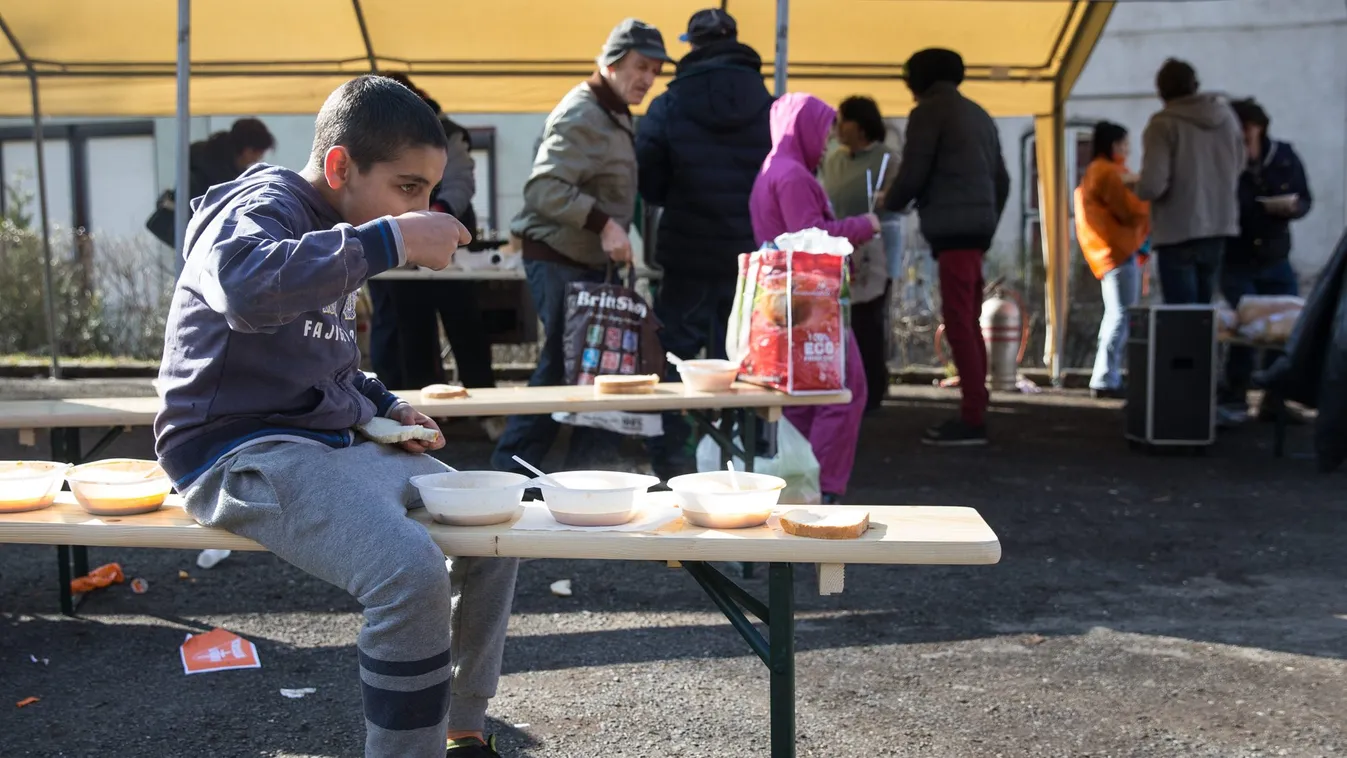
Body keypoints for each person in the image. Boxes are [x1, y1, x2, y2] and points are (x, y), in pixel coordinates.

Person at [154, 76, 515, 758]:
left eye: (428, 194)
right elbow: (243, 289)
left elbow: (330, 362)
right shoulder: (256, 206)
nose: (422, 208)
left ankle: (462, 728)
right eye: (408, 188)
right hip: (237, 453)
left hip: (319, 442)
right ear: (340, 167)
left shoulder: (335, 232)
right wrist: (392, 238)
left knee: (489, 523)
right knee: (408, 572)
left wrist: (381, 405)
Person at [491, 19, 672, 473]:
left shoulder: (613, 111)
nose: (648, 79)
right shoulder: (584, 113)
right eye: (640, 66)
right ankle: (502, 479)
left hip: (580, 261)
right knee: (561, 370)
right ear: (611, 63)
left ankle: (587, 480)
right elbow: (543, 189)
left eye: (655, 69)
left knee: (596, 373)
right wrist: (605, 225)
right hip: (558, 260)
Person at [635, 7, 773, 478]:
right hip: (751, 258)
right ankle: (747, 460)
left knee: (674, 360)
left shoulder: (671, 102)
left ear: (691, 46)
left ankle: (675, 462)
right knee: (747, 360)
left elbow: (647, 176)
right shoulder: (770, 102)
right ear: (734, 38)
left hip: (688, 253)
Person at [749, 92, 879, 504]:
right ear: (803, 129)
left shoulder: (772, 169)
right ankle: (820, 490)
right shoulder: (793, 176)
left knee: (804, 398)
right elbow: (813, 240)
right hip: (813, 300)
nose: (827, 142)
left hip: (782, 303)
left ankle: (798, 483)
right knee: (844, 390)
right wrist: (863, 225)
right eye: (823, 131)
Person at [883, 48, 1009, 446]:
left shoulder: (929, 113)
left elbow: (913, 172)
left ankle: (972, 418)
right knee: (968, 321)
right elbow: (1002, 180)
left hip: (953, 233)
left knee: (959, 323)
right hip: (976, 232)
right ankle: (977, 407)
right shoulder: (979, 114)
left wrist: (887, 202)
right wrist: (986, 220)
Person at [364, 73, 497, 407]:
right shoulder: (378, 136)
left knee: (464, 324)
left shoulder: (448, 133)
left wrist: (433, 216)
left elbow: (460, 183)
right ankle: (417, 407)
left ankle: (486, 409)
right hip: (400, 249)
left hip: (449, 247)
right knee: (409, 328)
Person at [1220, 98, 1312, 419]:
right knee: (1244, 329)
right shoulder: (1228, 160)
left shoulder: (1283, 156)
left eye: (1244, 131)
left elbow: (1305, 197)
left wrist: (1294, 207)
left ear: (1258, 127)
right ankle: (1236, 394)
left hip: (1275, 255)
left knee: (1285, 331)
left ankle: (1275, 398)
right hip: (1238, 256)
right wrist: (1259, 207)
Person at [1133, 58, 1245, 305]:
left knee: (1182, 319)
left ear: (1161, 91)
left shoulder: (1163, 124)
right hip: (1218, 225)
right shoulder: (1226, 117)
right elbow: (1239, 165)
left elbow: (1154, 185)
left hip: (1178, 231)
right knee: (1206, 316)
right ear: (1195, 85)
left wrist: (1134, 186)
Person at [821, 95, 900, 414]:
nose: (837, 128)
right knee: (837, 321)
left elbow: (897, 205)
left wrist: (885, 202)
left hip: (875, 252)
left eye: (843, 121)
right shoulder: (833, 160)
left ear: (861, 124)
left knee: (868, 321)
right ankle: (843, 384)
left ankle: (873, 389)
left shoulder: (887, 159)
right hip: (837, 248)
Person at [1074, 121, 1150, 399]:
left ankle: (1106, 375)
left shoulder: (1096, 172)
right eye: (1124, 144)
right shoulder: (1108, 173)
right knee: (1121, 316)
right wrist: (1148, 201)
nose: (1128, 149)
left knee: (1115, 315)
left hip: (1108, 253)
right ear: (1114, 144)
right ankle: (1106, 378)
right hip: (1118, 251)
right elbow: (1128, 210)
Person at [147, 118, 276, 247]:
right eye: (258, 154)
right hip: (199, 241)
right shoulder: (214, 176)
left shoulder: (209, 164)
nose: (257, 159)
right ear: (248, 149)